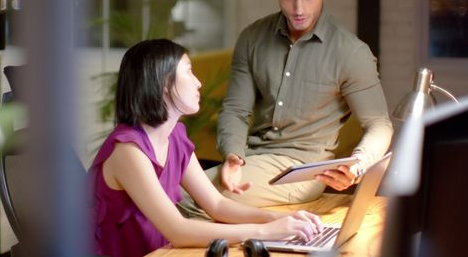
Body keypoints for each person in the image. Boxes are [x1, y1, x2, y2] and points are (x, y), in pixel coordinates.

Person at [179, 0, 393, 215]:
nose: (298, 8)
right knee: (175, 194)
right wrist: (233, 154)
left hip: (302, 171)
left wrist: (358, 163)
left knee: (184, 199)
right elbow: (236, 109)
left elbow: (379, 124)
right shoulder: (252, 37)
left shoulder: (351, 53)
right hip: (251, 159)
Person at [89, 39, 323, 257]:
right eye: (189, 71)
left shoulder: (175, 138)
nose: (198, 82)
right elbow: (177, 231)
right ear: (164, 84)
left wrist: (280, 219)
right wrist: (266, 232)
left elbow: (217, 205)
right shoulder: (128, 150)